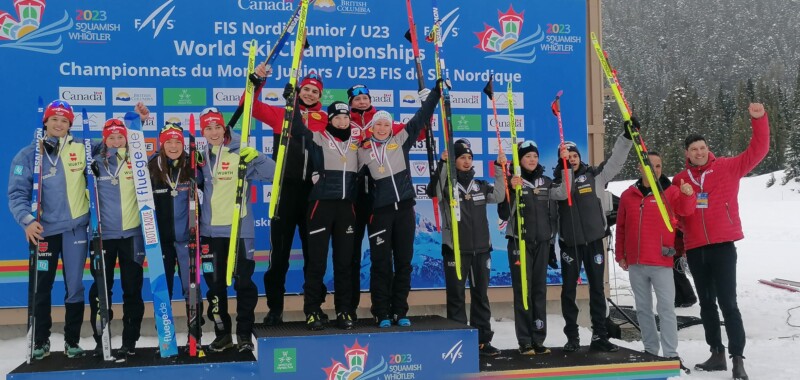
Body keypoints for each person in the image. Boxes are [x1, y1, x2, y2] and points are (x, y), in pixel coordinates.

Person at [672, 103, 769, 380]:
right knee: (705, 303)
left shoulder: (727, 167)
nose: (699, 152)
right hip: (695, 248)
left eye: (702, 147)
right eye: (693, 149)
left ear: (707, 148)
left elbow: (758, 150)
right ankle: (716, 352)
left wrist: (758, 119)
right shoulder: (680, 179)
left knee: (729, 303)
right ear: (687, 153)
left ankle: (737, 358)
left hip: (723, 246)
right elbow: (679, 214)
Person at [8, 100, 89, 359]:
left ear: (70, 125)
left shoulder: (82, 149)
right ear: (45, 122)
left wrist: (138, 125)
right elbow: (17, 193)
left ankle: (72, 341)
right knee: (41, 286)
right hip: (43, 231)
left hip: (75, 230)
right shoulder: (28, 154)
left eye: (64, 120)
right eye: (54, 119)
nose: (58, 124)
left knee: (75, 287)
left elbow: (115, 145)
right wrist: (27, 220)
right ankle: (40, 341)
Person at [357, 81, 440, 328]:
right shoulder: (362, 151)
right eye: (377, 125)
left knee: (404, 262)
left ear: (390, 126)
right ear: (371, 128)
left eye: (385, 124)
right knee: (381, 264)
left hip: (404, 209)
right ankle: (381, 312)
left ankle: (400, 311)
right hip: (380, 214)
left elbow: (420, 118)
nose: (382, 128)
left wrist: (433, 95)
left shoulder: (400, 139)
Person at [552, 119, 635, 353]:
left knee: (597, 289)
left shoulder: (595, 176)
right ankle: (572, 336)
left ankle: (600, 335)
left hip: (594, 244)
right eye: (568, 156)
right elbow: (552, 215)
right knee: (569, 290)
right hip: (570, 246)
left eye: (575, 154)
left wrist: (626, 137)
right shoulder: (557, 184)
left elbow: (615, 161)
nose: (573, 158)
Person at [197, 107, 275, 352]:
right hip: (210, 234)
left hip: (239, 232)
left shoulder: (240, 153)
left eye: (217, 127)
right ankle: (222, 334)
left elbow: (274, 174)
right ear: (203, 132)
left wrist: (257, 156)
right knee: (215, 287)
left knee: (243, 282)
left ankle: (243, 334)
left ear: (225, 129)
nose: (213, 132)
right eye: (208, 128)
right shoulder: (200, 158)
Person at [251, 63, 320, 326]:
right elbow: (252, 106)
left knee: (314, 256)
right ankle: (274, 308)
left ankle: (312, 308)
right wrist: (259, 81)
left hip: (314, 194)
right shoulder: (283, 115)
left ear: (320, 96)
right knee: (278, 254)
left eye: (315, 91)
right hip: (286, 190)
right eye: (306, 89)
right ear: (299, 90)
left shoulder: (326, 120)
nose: (310, 94)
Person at [615, 151, 695, 366]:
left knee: (666, 309)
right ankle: (650, 350)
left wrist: (688, 194)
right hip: (636, 263)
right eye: (650, 165)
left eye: (658, 166)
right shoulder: (627, 195)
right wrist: (620, 254)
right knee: (642, 308)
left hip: (661, 262)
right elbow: (621, 227)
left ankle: (670, 354)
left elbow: (686, 211)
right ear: (640, 168)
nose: (655, 170)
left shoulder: (671, 193)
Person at [430, 139, 507, 356]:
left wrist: (500, 169)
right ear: (454, 161)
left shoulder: (480, 185)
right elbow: (433, 190)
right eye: (461, 157)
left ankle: (482, 339)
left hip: (481, 250)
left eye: (469, 158)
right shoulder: (446, 185)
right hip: (455, 249)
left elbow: (499, 196)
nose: (466, 161)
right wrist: (443, 164)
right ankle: (458, 340)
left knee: (480, 295)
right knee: (456, 296)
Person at [288, 100, 360, 330]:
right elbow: (297, 127)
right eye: (337, 117)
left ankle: (344, 310)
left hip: (346, 209)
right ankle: (312, 310)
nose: (342, 121)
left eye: (345, 117)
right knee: (317, 262)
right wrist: (292, 102)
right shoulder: (319, 138)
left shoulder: (357, 144)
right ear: (329, 120)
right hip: (320, 207)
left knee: (344, 263)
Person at [88, 108, 152, 358]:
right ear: (104, 139)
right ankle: (100, 339)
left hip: (133, 236)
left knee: (132, 290)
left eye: (120, 137)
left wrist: (138, 124)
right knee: (101, 291)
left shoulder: (138, 158)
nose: (116, 142)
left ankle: (130, 341)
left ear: (127, 138)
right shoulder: (93, 161)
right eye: (111, 137)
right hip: (103, 236)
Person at [502, 141, 570, 355]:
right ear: (520, 160)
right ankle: (524, 340)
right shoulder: (512, 181)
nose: (532, 159)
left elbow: (565, 192)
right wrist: (510, 189)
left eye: (535, 156)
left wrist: (565, 163)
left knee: (539, 290)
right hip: (519, 242)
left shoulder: (547, 182)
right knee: (523, 291)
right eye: (527, 156)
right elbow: (503, 213)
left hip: (541, 243)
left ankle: (538, 338)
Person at [148, 123, 197, 341]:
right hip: (162, 242)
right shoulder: (151, 167)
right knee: (163, 289)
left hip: (187, 240)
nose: (174, 146)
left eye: (178, 141)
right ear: (162, 143)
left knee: (191, 288)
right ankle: (165, 338)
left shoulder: (192, 165)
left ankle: (194, 335)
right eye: (169, 141)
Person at [672, 231, 697, 308]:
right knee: (673, 277)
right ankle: (679, 299)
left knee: (680, 276)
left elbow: (684, 235)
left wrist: (684, 250)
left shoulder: (676, 223)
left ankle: (690, 298)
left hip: (677, 252)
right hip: (672, 252)